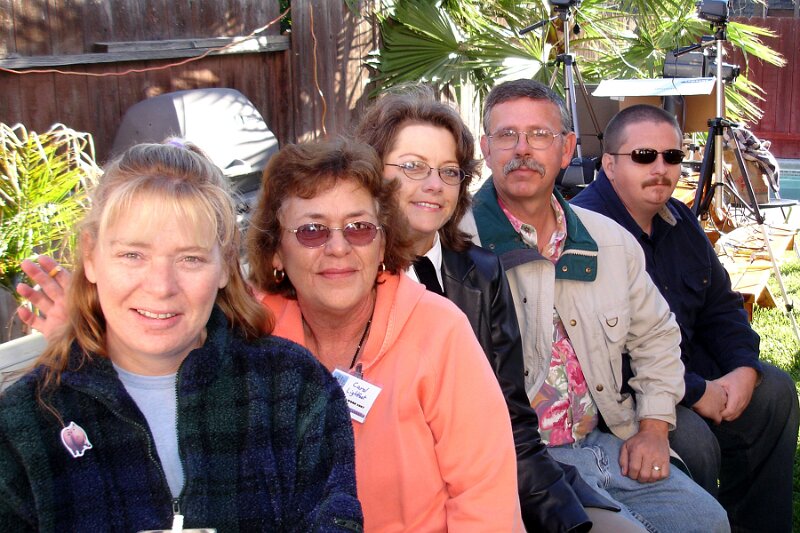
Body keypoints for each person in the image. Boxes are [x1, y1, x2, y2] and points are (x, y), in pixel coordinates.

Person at [2, 141, 363, 532]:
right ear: (90, 256)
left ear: (225, 266)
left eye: (190, 258)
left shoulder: (293, 390)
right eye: (132, 255)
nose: (161, 287)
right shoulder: (24, 424)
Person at [353, 85, 642, 533]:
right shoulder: (347, 278)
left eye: (449, 171)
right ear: (373, 173)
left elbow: (512, 423)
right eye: (412, 166)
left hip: (492, 483)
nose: (433, 184)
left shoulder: (481, 273)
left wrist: (564, 517)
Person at [459, 78, 730, 532]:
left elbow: (657, 337)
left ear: (567, 149)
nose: (522, 149)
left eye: (539, 134)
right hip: (520, 462)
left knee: (708, 521)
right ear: (486, 149)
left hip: (607, 441)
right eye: (507, 135)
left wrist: (654, 427)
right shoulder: (458, 247)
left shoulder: (608, 241)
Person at [246, 137, 520, 532]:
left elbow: (485, 498)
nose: (338, 247)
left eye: (359, 228)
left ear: (382, 243)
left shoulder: (440, 331)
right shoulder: (250, 335)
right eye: (312, 230)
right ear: (276, 251)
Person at [571, 103, 800, 533]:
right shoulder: (583, 234)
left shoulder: (679, 220)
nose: (661, 168)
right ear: (609, 165)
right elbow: (603, 356)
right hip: (627, 396)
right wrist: (695, 391)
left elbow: (721, 307)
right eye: (644, 156)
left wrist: (743, 368)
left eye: (672, 156)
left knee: (775, 392)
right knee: (692, 440)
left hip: (690, 370)